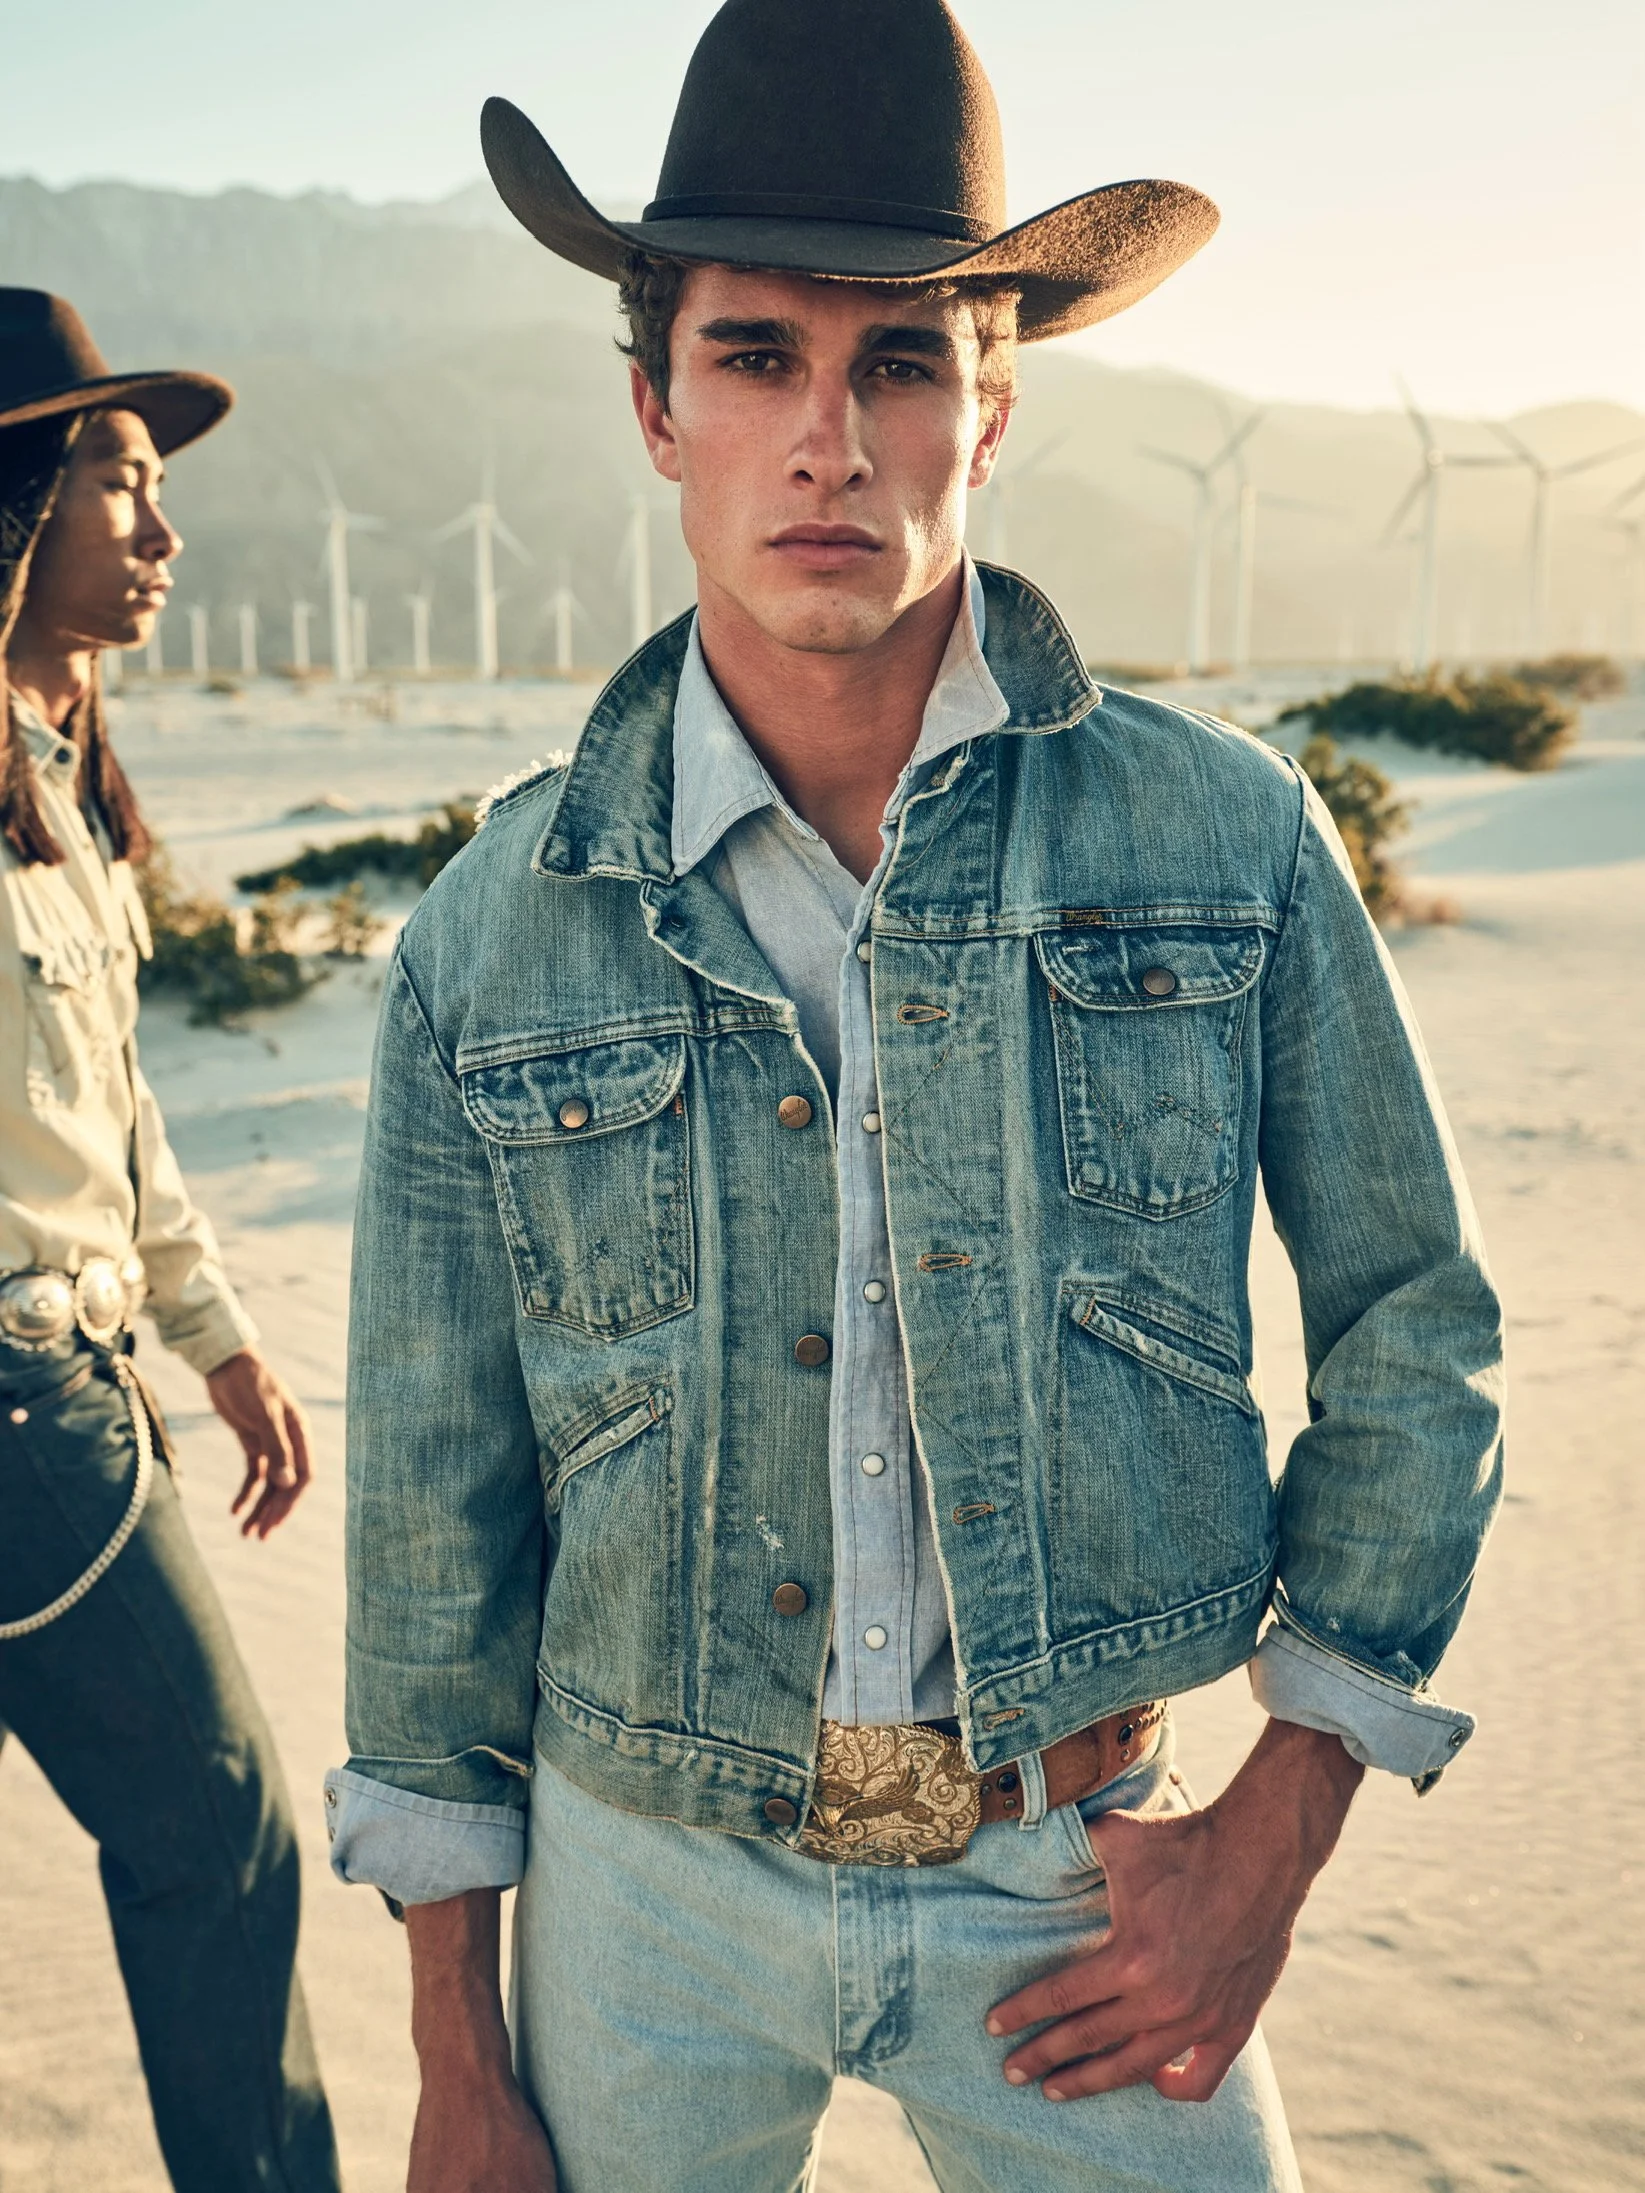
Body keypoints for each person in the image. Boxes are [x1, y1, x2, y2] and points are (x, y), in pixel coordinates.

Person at [328, 6, 1505, 2189]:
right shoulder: (491, 932)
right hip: (643, 1893)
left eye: (899, 365)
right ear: (654, 408)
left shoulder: (1226, 841)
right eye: (758, 359)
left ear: (994, 404)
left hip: (1074, 1884)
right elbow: (427, 1503)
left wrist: (1279, 1824)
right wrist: (453, 2052)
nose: (828, 444)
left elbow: (1417, 1330)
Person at [0, 289, 341, 2193]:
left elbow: (112, 1111)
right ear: (20, 496)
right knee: (220, 1833)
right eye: (118, 483)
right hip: (21, 1415)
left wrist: (216, 1339)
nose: (162, 531)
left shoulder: (56, 786)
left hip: (79, 1368)